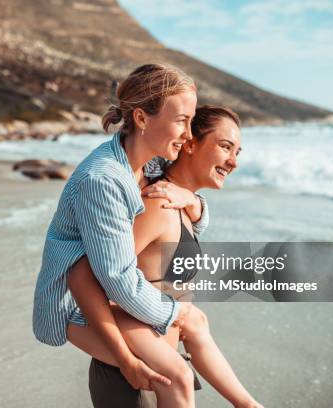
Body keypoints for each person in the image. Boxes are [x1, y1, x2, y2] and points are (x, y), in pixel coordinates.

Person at [32, 64, 210, 405]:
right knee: (177, 376)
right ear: (142, 119)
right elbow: (118, 280)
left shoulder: (151, 166)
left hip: (117, 302)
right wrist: (175, 314)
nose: (189, 134)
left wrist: (194, 202)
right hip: (76, 308)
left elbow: (180, 225)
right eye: (181, 120)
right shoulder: (103, 180)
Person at [68, 106, 264, 408]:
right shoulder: (158, 205)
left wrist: (195, 202)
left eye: (238, 151)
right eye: (225, 147)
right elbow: (92, 278)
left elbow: (190, 319)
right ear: (189, 143)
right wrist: (127, 357)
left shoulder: (181, 204)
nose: (234, 161)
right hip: (135, 376)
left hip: (163, 363)